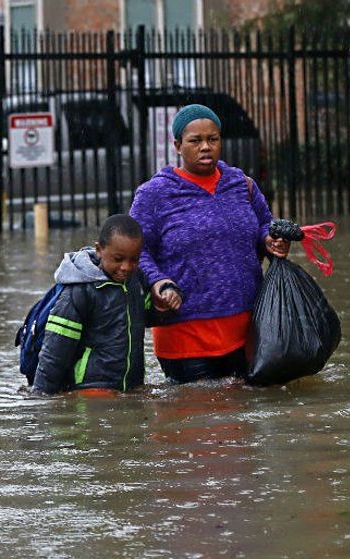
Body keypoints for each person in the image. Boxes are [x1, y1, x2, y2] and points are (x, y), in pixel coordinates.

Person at [129, 104, 290, 384]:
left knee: (242, 421)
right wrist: (158, 282)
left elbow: (264, 225)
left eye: (213, 139)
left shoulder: (242, 184)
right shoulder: (154, 194)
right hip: (185, 338)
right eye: (195, 141)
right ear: (177, 145)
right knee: (200, 421)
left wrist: (271, 240)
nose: (206, 147)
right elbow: (136, 250)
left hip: (247, 332)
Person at [32, 214, 151, 395]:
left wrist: (166, 299)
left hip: (130, 387)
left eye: (133, 260)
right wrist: (41, 395)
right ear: (98, 250)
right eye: (118, 259)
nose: (126, 267)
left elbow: (150, 316)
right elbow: (55, 352)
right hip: (90, 387)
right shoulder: (79, 291)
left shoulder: (136, 281)